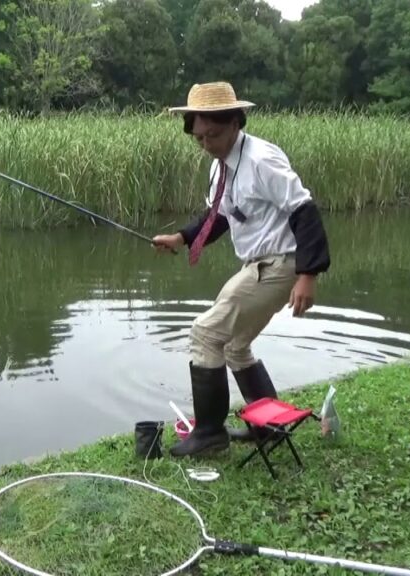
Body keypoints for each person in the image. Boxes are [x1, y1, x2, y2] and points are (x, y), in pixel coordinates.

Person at [152, 81, 331, 458]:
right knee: (233, 345)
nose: (206, 144)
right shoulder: (220, 169)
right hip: (258, 264)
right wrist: (182, 238)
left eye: (213, 135)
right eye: (199, 138)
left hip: (280, 264)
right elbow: (219, 216)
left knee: (205, 333)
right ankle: (268, 426)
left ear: (235, 123)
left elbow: (304, 209)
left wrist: (308, 275)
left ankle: (210, 435)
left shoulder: (261, 159)